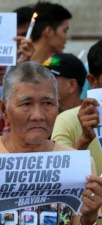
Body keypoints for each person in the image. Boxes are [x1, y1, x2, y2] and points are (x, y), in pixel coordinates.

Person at [0, 61, 102, 225]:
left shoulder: (79, 164)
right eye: (26, 104)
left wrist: (90, 216)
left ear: (57, 105)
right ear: (4, 109)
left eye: (47, 103)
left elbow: (81, 221)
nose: (38, 115)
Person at [51, 40, 102, 176]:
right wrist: (84, 139)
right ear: (92, 80)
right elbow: (62, 177)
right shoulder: (66, 121)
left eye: (52, 78)